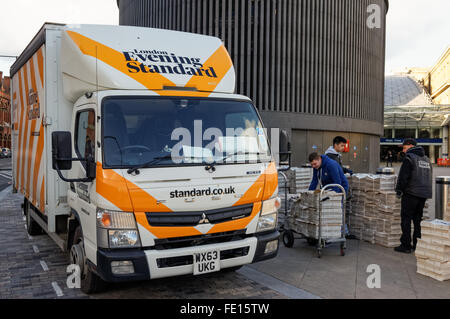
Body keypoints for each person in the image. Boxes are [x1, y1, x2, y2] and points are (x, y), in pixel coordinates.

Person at [394, 138, 432, 254]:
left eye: (405, 148)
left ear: (410, 146)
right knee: (417, 220)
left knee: (406, 219)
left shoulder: (409, 158)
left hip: (411, 193)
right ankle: (417, 244)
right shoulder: (427, 159)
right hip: (423, 194)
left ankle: (405, 245)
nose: (404, 151)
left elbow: (403, 176)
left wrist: (399, 190)